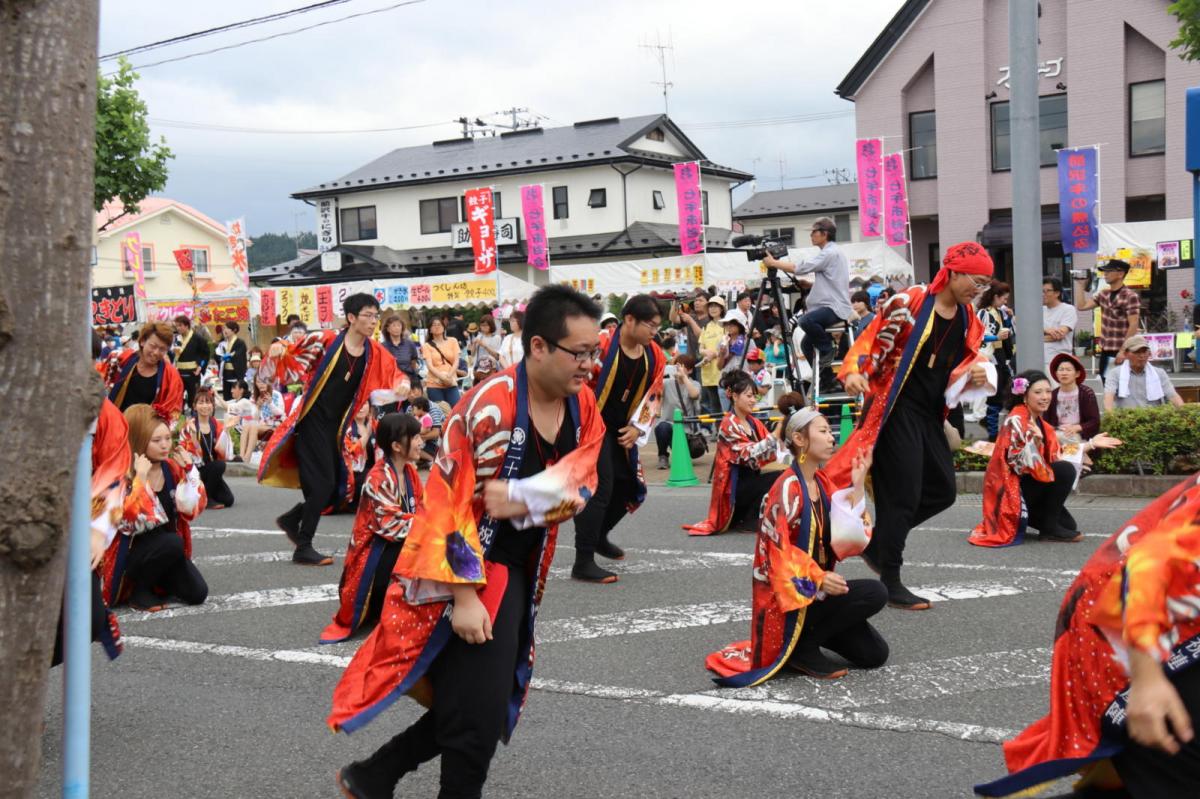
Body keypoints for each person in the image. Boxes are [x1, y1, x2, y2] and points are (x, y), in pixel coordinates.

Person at [329, 284, 605, 799]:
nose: (589, 365)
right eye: (580, 353)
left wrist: (526, 496)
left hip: (521, 565)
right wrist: (465, 595)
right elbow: (444, 505)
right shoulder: (487, 408)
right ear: (539, 346)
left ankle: (374, 774)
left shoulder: (582, 403)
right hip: (464, 566)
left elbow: (585, 477)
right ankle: (381, 775)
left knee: (475, 700)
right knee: (476, 717)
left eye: (595, 352)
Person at [973, 473, 1200, 799]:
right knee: (1176, 764)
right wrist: (1148, 680)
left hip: (1170, 614)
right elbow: (1150, 564)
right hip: (1124, 623)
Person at [835, 242, 998, 610]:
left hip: (930, 412)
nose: (979, 289)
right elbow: (871, 338)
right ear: (954, 272)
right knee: (903, 495)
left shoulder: (968, 317)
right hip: (894, 408)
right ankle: (890, 578)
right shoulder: (910, 301)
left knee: (943, 490)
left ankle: (879, 545)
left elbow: (968, 357)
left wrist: (976, 371)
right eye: (976, 280)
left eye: (985, 283)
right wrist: (854, 373)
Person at [707, 406, 883, 683]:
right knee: (875, 592)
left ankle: (810, 636)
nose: (831, 438)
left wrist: (859, 485)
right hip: (790, 598)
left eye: (830, 431)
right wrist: (819, 577)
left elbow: (845, 539)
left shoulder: (821, 482)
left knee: (875, 654)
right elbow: (774, 554)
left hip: (816, 593)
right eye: (823, 431)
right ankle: (801, 647)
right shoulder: (787, 487)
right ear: (800, 440)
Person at [259, 293, 409, 567]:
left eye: (376, 316)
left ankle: (294, 520)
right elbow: (292, 352)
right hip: (311, 420)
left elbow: (395, 373)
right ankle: (303, 545)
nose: (373, 321)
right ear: (351, 318)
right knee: (324, 485)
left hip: (338, 427)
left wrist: (403, 384)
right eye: (368, 315)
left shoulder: (374, 351)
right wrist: (279, 348)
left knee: (333, 486)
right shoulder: (327, 340)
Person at [569, 294, 665, 583]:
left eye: (658, 326)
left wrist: (638, 428)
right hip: (590, 424)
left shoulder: (654, 353)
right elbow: (574, 376)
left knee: (630, 487)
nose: (654, 332)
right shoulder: (600, 343)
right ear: (630, 320)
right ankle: (582, 561)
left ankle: (599, 535)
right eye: (651, 325)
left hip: (623, 428)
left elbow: (654, 394)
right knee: (601, 487)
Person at [969, 371, 1120, 548]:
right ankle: (1048, 528)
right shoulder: (1016, 420)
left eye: (1048, 391)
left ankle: (1048, 525)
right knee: (1064, 470)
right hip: (1012, 490)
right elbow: (1016, 465)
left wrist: (1091, 444)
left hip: (1030, 485)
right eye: (1038, 392)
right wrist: (1033, 443)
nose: (1045, 397)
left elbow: (1058, 453)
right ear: (1024, 395)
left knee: (1069, 525)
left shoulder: (1042, 424)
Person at [319, 412, 424, 644]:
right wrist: (429, 524)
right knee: (419, 544)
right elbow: (391, 526)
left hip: (395, 542)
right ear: (396, 445)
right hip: (373, 554)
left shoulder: (410, 473)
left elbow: (424, 509)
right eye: (415, 437)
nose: (420, 442)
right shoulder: (377, 477)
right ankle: (387, 604)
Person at [102, 404, 208, 613]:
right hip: (131, 554)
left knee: (198, 592)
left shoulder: (171, 468)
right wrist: (140, 480)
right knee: (171, 542)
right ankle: (138, 591)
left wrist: (189, 471)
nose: (164, 445)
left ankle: (156, 583)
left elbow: (190, 509)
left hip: (167, 550)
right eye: (156, 440)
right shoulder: (123, 473)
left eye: (167, 438)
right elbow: (128, 522)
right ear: (140, 440)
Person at [53, 396, 129, 666]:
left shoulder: (103, 411)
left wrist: (97, 530)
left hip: (77, 527)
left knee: (88, 619)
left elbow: (114, 468)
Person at [683, 375, 789, 536]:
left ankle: (759, 516)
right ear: (734, 396)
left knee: (786, 474)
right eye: (749, 396)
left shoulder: (753, 422)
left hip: (748, 482)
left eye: (755, 395)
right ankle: (748, 519)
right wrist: (775, 435)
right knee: (777, 478)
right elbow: (750, 455)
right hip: (732, 491)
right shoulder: (728, 425)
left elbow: (773, 450)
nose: (753, 400)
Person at [763, 216, 853, 391]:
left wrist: (774, 263)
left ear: (824, 234)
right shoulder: (832, 252)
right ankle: (827, 379)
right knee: (805, 344)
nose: (811, 235)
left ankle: (827, 349)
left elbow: (802, 267)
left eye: (814, 232)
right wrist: (810, 285)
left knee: (805, 321)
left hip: (834, 307)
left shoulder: (829, 252)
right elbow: (831, 282)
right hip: (832, 304)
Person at [99, 321, 185, 422]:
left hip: (148, 431)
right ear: (142, 341)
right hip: (116, 425)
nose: (156, 352)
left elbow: (173, 412)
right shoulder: (121, 359)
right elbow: (102, 385)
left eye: (162, 349)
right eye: (153, 346)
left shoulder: (171, 377)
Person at [1073, 258, 1141, 382]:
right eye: (1105, 271)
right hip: (1106, 349)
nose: (1105, 274)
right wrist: (1080, 286)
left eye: (1109, 271)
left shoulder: (1130, 296)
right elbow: (1082, 306)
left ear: (1120, 274)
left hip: (1123, 350)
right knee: (1108, 386)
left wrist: (1123, 350)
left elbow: (1133, 324)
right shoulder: (1104, 294)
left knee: (1124, 388)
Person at [181, 386, 235, 509]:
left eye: (208, 402)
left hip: (211, 472)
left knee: (228, 499)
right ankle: (206, 499)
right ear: (194, 406)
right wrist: (194, 437)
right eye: (201, 403)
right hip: (195, 471)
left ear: (212, 405)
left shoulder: (216, 424)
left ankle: (204, 492)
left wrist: (226, 432)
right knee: (219, 465)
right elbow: (188, 457)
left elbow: (224, 453)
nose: (205, 406)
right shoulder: (189, 425)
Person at [679, 294, 727, 427]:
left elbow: (728, 345)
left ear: (722, 308)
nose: (712, 309)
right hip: (708, 371)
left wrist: (715, 354)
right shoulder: (707, 327)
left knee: (724, 401)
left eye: (716, 306)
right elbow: (701, 348)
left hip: (722, 369)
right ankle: (716, 430)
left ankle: (726, 428)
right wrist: (706, 352)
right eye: (710, 306)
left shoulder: (726, 325)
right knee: (712, 403)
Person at [977, 281, 1015, 442]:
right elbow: (978, 336)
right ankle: (992, 432)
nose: (1005, 302)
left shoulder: (1000, 312)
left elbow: (1008, 330)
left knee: (1005, 393)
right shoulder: (983, 313)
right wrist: (996, 337)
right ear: (995, 297)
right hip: (990, 357)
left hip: (1001, 356)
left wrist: (1009, 319)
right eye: (1004, 299)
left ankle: (990, 424)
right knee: (996, 394)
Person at [1104, 334, 1185, 410]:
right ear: (1126, 354)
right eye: (1137, 352)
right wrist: (1111, 417)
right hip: (1126, 419)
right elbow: (1108, 396)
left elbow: (1173, 396)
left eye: (1144, 351)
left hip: (1154, 418)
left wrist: (1185, 413)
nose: (1142, 355)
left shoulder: (1159, 373)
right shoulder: (1114, 373)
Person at [1043, 352, 1101, 456]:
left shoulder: (1086, 393)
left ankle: (1079, 463)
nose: (1064, 373)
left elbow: (1095, 421)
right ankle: (1082, 462)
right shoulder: (1052, 394)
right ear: (1056, 373)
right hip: (1058, 432)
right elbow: (1046, 421)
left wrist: (1076, 428)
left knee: (1068, 437)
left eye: (1068, 370)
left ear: (1077, 374)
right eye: (1061, 370)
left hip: (1078, 433)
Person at [654, 353, 702, 469]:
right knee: (662, 427)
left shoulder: (694, 384)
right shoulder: (666, 383)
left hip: (687, 432)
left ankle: (680, 453)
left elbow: (694, 395)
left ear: (690, 370)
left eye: (682, 366)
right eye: (676, 365)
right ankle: (663, 456)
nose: (678, 368)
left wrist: (684, 377)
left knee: (684, 454)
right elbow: (655, 390)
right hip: (669, 426)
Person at [240, 376, 284, 463]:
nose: (261, 384)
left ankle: (246, 459)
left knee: (253, 427)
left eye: (263, 381)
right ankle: (242, 458)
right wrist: (258, 407)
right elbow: (252, 418)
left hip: (275, 425)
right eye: (258, 382)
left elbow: (280, 414)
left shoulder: (276, 395)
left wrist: (271, 403)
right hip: (259, 425)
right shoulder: (253, 397)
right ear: (255, 384)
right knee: (247, 426)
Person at [421, 316, 462, 407]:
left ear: (444, 327)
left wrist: (448, 376)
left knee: (456, 409)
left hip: (451, 381)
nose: (437, 326)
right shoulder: (426, 346)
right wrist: (442, 378)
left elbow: (456, 361)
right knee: (440, 412)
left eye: (439, 324)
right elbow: (430, 366)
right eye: (434, 325)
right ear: (430, 329)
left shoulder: (453, 341)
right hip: (434, 383)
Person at [343, 401, 376, 507]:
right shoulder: (346, 428)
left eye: (364, 404)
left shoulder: (375, 425)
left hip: (374, 469)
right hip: (353, 473)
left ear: (370, 408)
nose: (361, 409)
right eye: (358, 404)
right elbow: (351, 453)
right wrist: (366, 435)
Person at [171, 314, 207, 409]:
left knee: (193, 397)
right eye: (177, 326)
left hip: (193, 372)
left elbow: (205, 354)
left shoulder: (198, 338)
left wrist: (200, 367)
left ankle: (195, 416)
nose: (178, 328)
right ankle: (179, 417)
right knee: (178, 397)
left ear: (186, 325)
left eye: (180, 325)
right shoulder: (177, 338)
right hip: (179, 372)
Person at [1041, 277, 1075, 376]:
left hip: (1059, 362)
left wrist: (1035, 338)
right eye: (1042, 291)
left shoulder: (1068, 309)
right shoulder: (1039, 310)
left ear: (1057, 293)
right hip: (1038, 360)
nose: (1044, 294)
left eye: (1048, 291)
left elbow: (1058, 335)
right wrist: (1046, 330)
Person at [380, 313, 421, 390]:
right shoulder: (382, 347)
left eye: (399, 325)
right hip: (390, 382)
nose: (397, 328)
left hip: (409, 380)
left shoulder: (409, 344)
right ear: (388, 329)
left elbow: (413, 363)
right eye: (394, 325)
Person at [406, 394, 444, 468]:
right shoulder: (420, 417)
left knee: (414, 447)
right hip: (424, 441)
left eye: (414, 409)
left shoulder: (427, 418)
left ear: (420, 409)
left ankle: (432, 460)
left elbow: (426, 430)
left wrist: (416, 431)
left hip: (431, 443)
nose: (413, 411)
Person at [216, 321, 248, 401]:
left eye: (227, 328)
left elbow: (239, 355)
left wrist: (230, 356)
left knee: (237, 397)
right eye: (223, 329)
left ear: (234, 330)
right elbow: (217, 355)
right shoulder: (222, 343)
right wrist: (219, 357)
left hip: (235, 373)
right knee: (227, 397)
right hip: (226, 373)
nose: (224, 331)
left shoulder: (240, 343)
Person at [470, 315, 502, 384]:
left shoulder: (496, 338)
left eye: (486, 325)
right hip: (479, 369)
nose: (483, 327)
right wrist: (474, 344)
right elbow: (472, 354)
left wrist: (484, 345)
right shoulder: (479, 337)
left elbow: (497, 356)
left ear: (491, 325)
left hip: (491, 370)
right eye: (482, 325)